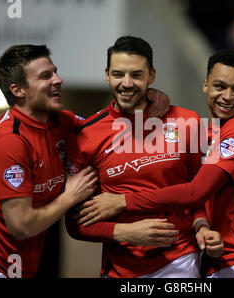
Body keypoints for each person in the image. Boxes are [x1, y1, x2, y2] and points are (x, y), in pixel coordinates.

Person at [79, 49, 234, 278]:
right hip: (217, 258)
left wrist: (123, 201)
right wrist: (201, 225)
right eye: (219, 86)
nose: (228, 96)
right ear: (205, 85)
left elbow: (195, 191)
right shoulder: (207, 131)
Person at [65, 35, 223, 278]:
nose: (126, 83)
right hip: (118, 269)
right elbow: (75, 223)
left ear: (152, 76)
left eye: (136, 75)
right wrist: (125, 232)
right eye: (118, 74)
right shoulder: (85, 135)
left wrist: (201, 225)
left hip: (179, 262)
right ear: (107, 74)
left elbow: (200, 194)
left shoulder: (189, 122)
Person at [0, 45, 98, 278]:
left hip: (18, 271)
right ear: (18, 90)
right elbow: (21, 226)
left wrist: (150, 102)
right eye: (45, 76)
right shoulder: (10, 142)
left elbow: (110, 132)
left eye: (55, 72)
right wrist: (70, 196)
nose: (58, 80)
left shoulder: (60, 122)